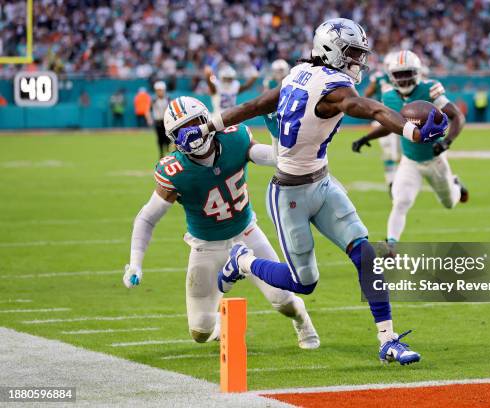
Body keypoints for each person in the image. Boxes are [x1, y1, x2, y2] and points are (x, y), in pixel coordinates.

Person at [176, 18, 447, 365]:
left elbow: (259, 104)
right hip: (289, 194)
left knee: (366, 254)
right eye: (351, 53)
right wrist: (410, 130)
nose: (357, 61)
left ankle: (388, 339)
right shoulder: (335, 88)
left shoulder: (299, 71)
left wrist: (212, 123)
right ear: (331, 49)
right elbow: (372, 109)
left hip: (322, 182)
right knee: (304, 283)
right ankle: (241, 261)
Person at [123, 96, 319, 349]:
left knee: (284, 300)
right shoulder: (175, 171)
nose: (190, 133)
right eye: (181, 130)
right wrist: (135, 263)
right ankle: (225, 329)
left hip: (246, 234)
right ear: (173, 137)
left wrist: (280, 139)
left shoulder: (234, 138)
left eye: (194, 124)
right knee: (200, 331)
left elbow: (273, 158)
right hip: (206, 246)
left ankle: (303, 322)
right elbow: (147, 218)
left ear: (207, 121)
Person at [352, 50, 468, 247]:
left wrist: (447, 142)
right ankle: (391, 245)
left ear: (417, 72)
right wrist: (366, 137)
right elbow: (389, 126)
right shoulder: (389, 97)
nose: (404, 79)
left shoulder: (430, 89)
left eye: (408, 73)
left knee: (449, 203)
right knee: (400, 202)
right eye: (399, 74)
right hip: (410, 161)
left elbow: (457, 115)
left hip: (434, 159)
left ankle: (455, 184)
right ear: (391, 76)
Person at [362, 52, 399, 190]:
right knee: (388, 150)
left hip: (397, 117)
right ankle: (391, 180)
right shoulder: (379, 78)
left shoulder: (401, 78)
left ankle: (399, 179)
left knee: (398, 153)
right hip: (381, 118)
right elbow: (367, 94)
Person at [151, 81, 170, 158]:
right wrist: (149, 118)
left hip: (166, 121)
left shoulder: (167, 99)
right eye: (158, 90)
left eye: (160, 90)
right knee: (159, 139)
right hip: (158, 121)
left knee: (168, 138)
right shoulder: (154, 100)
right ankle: (161, 154)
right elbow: (149, 109)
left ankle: (168, 150)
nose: (159, 92)